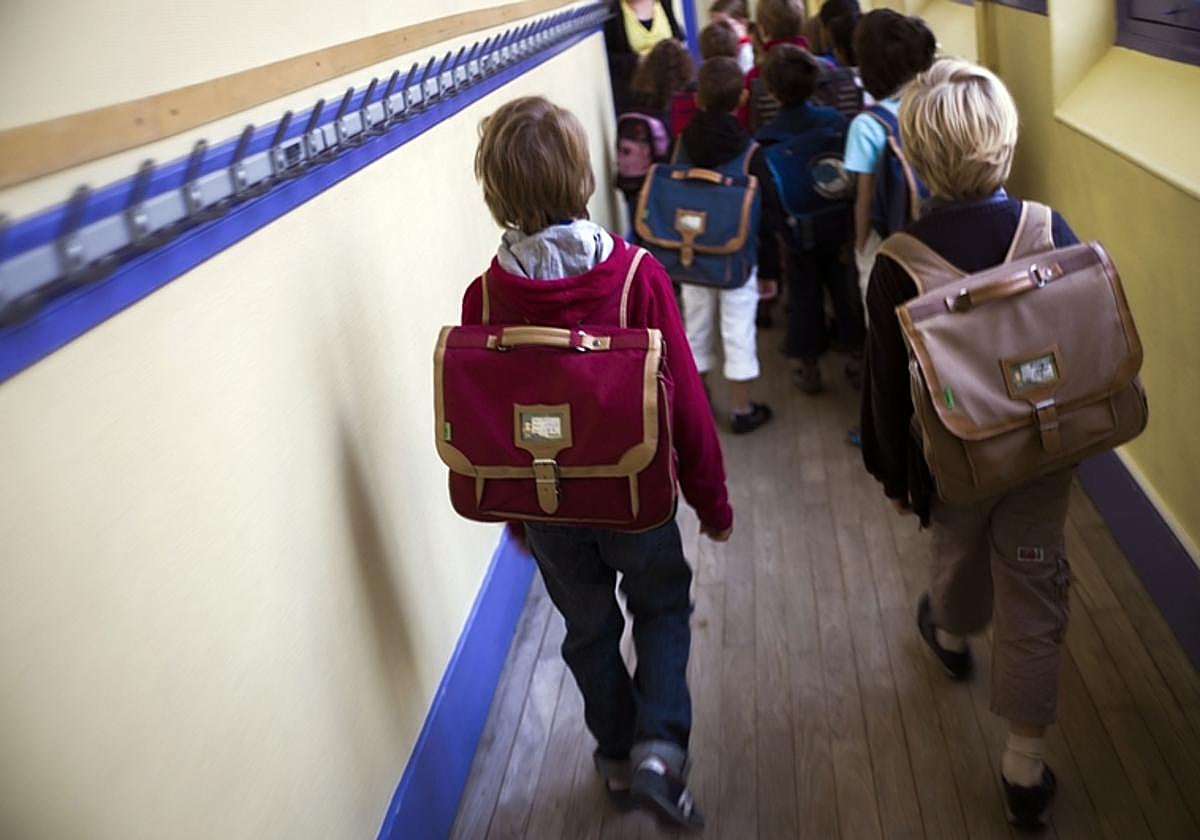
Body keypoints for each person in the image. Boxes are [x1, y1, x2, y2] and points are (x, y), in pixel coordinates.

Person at [468, 96, 733, 832]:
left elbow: (493, 420)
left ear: (494, 192)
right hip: (635, 495)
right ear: (583, 175)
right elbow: (684, 406)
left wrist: (518, 516)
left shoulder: (485, 294)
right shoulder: (634, 278)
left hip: (550, 505)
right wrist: (712, 501)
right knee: (662, 606)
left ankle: (616, 757)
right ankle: (658, 751)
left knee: (586, 631)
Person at [860, 59, 1081, 831]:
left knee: (956, 549)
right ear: (1007, 146)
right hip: (1046, 441)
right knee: (1035, 582)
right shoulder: (1047, 226)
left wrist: (893, 473)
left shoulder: (897, 263)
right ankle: (1024, 764)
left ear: (912, 159)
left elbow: (886, 392)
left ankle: (950, 633)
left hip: (953, 457)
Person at [678, 57, 782, 433]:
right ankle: (741, 409)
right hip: (738, 256)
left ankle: (699, 401)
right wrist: (770, 270)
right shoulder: (750, 152)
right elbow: (768, 215)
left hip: (690, 251)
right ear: (741, 97)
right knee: (738, 330)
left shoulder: (682, 144)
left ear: (699, 99)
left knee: (696, 326)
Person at [756, 44, 863, 395]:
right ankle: (856, 359)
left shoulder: (765, 140)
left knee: (804, 296)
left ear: (771, 91)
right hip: (840, 220)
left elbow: (767, 199)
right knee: (845, 292)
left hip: (796, 231)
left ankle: (810, 367)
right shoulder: (837, 122)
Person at [843, 9, 935, 305]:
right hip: (936, 231)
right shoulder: (934, 104)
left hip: (889, 240)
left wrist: (860, 246)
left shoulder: (867, 125)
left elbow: (865, 196)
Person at [604, 0, 684, 114]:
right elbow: (607, 59)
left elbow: (678, 38)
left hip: (669, 87)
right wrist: (638, 60)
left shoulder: (664, 3)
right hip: (634, 93)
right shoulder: (613, 10)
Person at [708, 0, 755, 72]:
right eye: (713, 26)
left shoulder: (754, 53)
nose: (716, 32)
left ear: (743, 23)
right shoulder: (718, 52)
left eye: (723, 25)